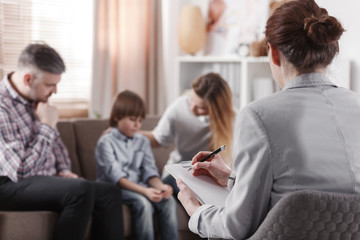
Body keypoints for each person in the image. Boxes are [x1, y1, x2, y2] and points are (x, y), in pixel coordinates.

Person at [176, 0, 358, 239]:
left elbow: (237, 227)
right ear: (329, 50)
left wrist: (194, 209)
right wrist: (232, 178)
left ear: (272, 51)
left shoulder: (259, 115)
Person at [0, 43, 124, 240]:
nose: (55, 91)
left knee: (109, 192)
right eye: (50, 85)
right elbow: (21, 172)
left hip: (39, 180)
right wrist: (47, 126)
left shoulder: (38, 99)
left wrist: (64, 171)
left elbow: (56, 148)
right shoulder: (3, 107)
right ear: (28, 79)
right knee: (80, 191)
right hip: (8, 184)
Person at [94, 90, 178, 240]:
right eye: (132, 119)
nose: (137, 125)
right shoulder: (105, 142)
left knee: (168, 201)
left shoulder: (143, 141)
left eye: (140, 120)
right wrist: (145, 191)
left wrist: (160, 187)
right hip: (114, 189)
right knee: (143, 203)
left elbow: (149, 172)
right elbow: (117, 178)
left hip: (140, 186)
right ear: (117, 117)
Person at [142, 72, 236, 196]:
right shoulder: (179, 106)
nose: (192, 108)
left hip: (211, 178)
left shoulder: (235, 119)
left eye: (200, 107)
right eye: (191, 100)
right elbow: (158, 139)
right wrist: (125, 132)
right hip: (179, 174)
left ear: (216, 109)